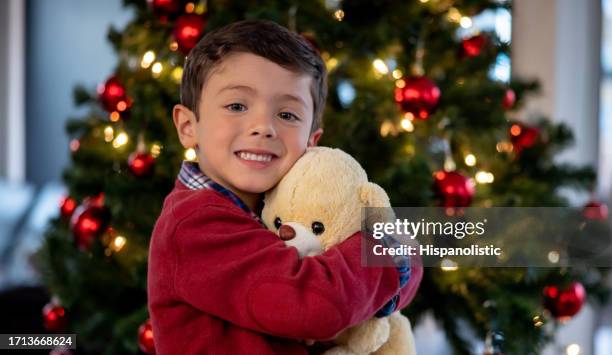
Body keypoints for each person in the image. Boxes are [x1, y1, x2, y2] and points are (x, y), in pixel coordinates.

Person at [147, 19, 422, 355]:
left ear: (311, 141)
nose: (263, 127)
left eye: (288, 115)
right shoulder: (194, 222)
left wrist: (389, 260)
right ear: (189, 126)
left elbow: (388, 291)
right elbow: (314, 307)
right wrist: (389, 249)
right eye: (237, 106)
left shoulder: (286, 212)